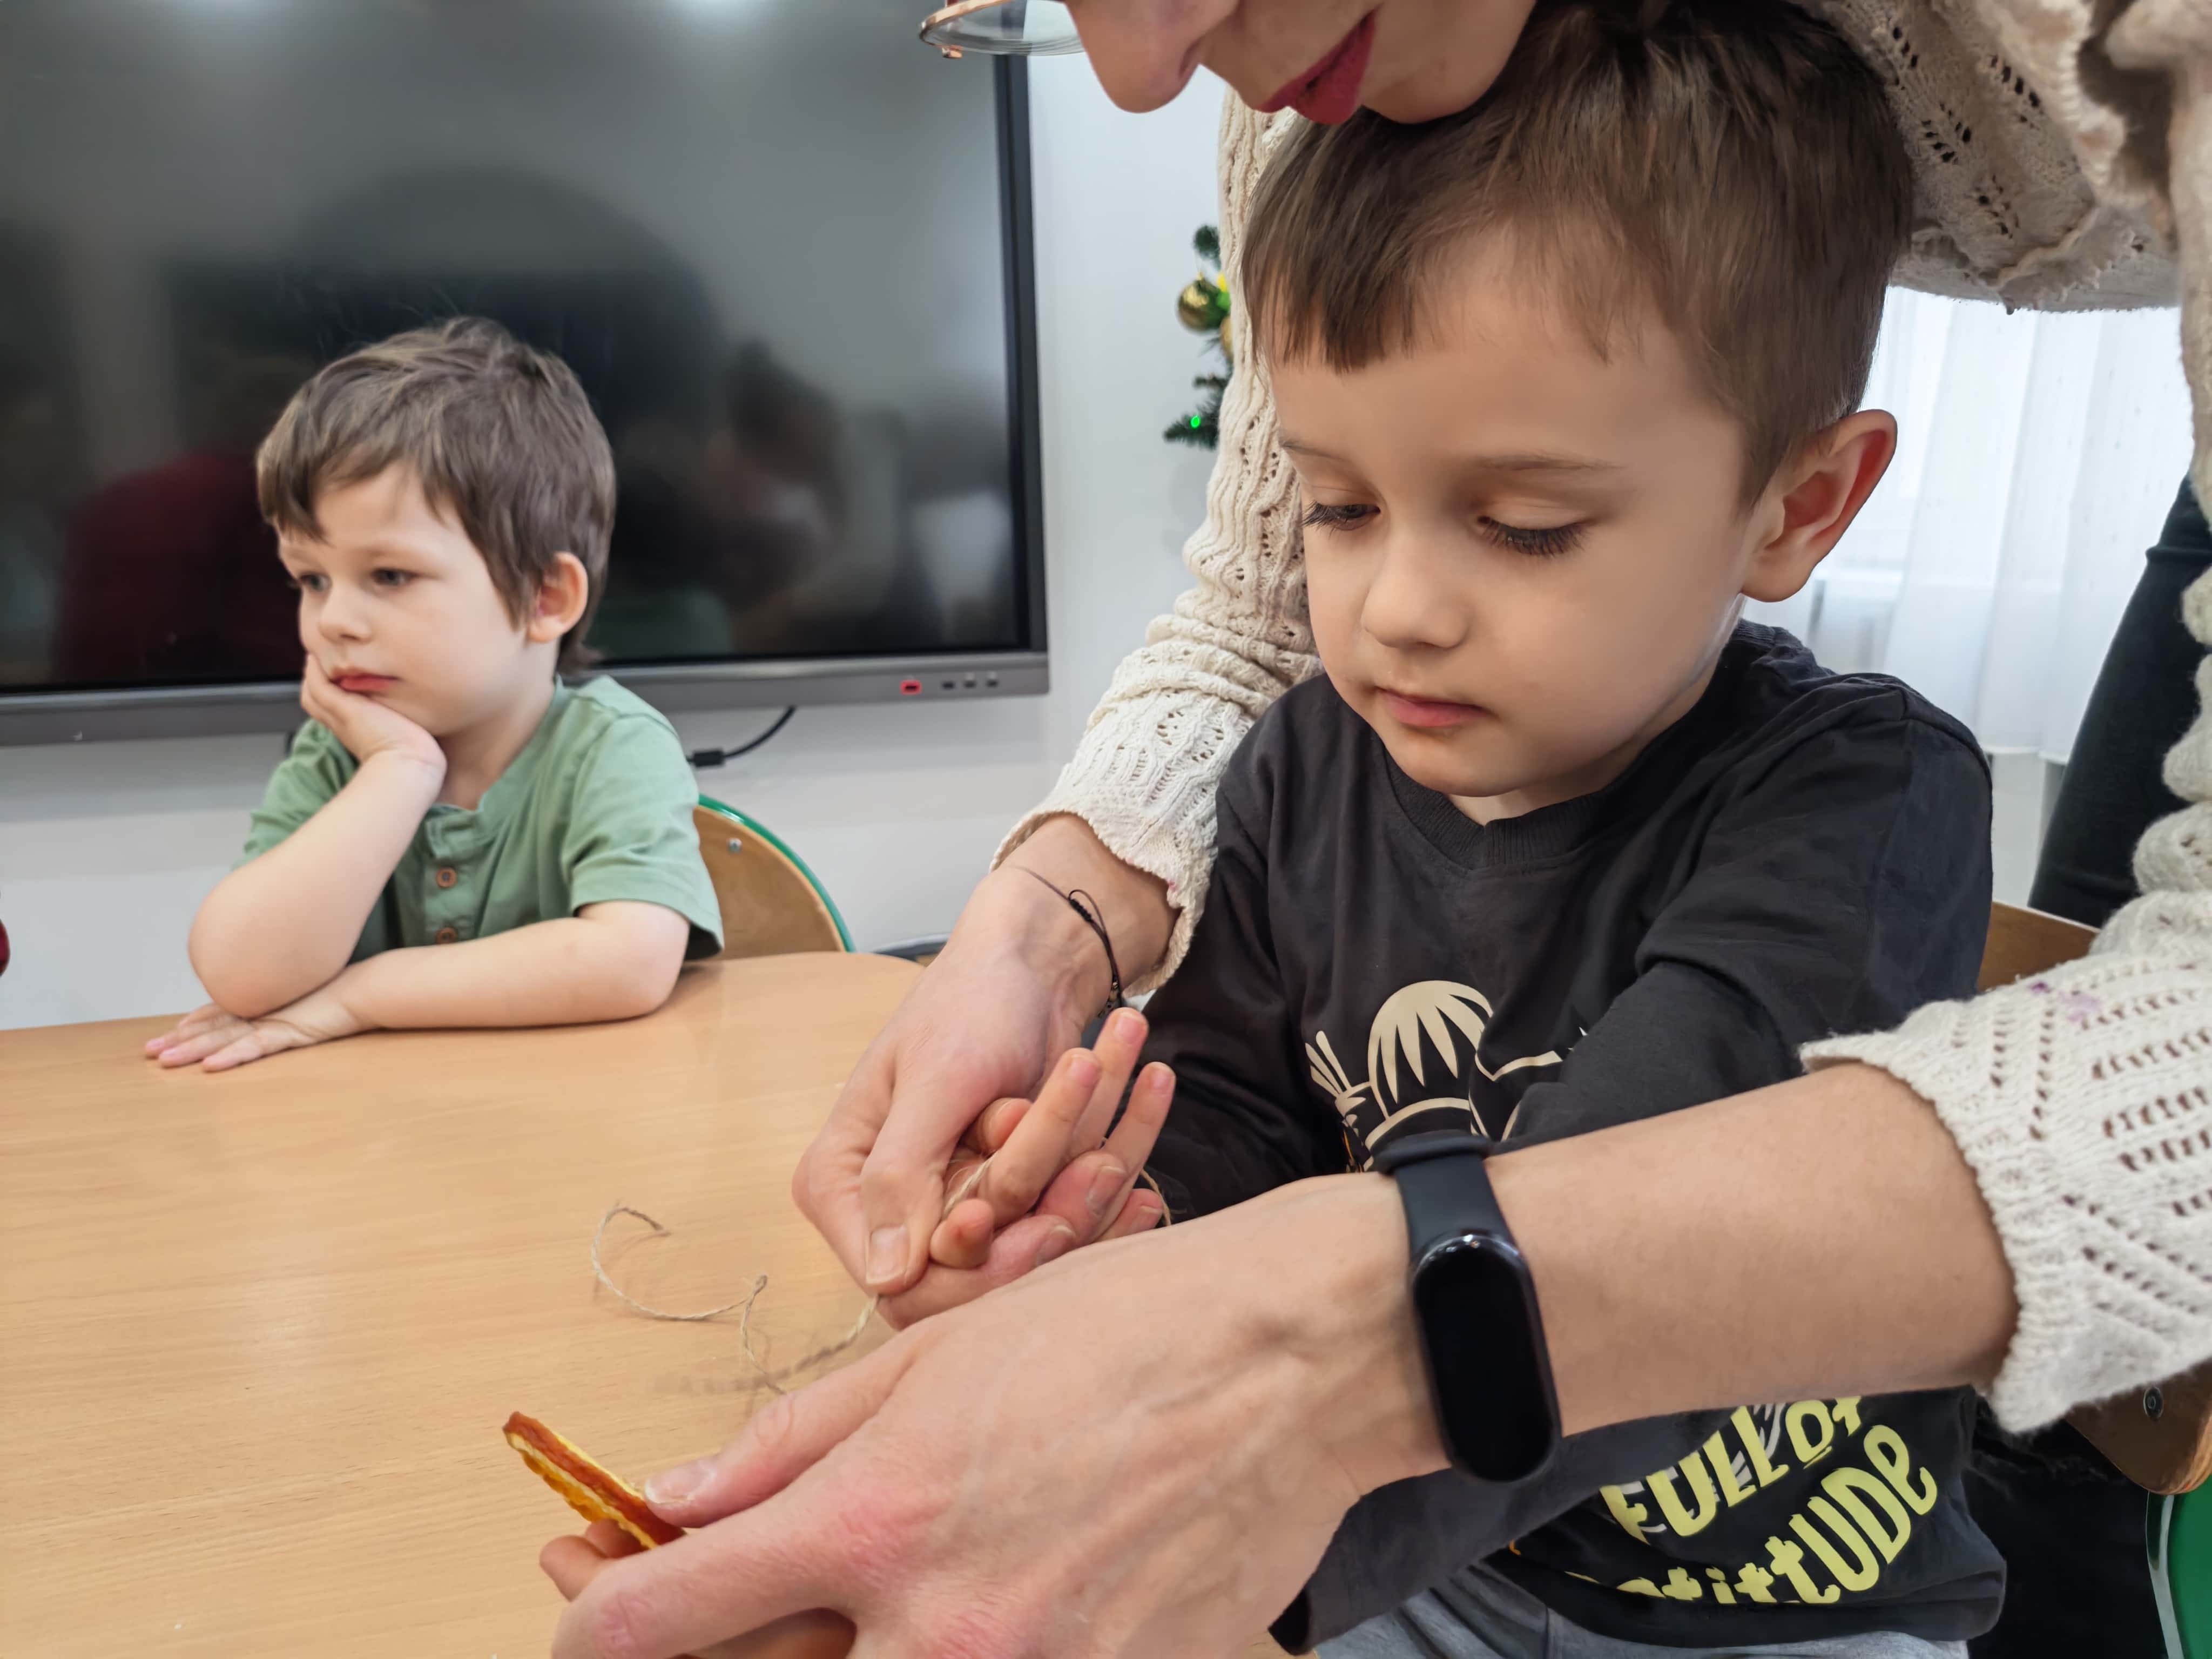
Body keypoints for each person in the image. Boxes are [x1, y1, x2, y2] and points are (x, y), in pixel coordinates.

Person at [537, 0, 2212, 1652]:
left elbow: (1613, 1224)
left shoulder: (1863, 797)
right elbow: (1232, 1117)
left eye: (1527, 525)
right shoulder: (1298, 771)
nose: (1395, 609)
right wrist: (1087, 1241)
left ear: (1800, 503)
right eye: (1340, 505)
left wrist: (1168, 1480)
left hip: (1780, 1615)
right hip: (1433, 1570)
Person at [146, 318, 722, 1074]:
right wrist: (400, 771)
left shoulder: (612, 744)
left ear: (546, 597)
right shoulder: (342, 754)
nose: (334, 621)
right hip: (381, 1128)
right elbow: (241, 975)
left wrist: (359, 997)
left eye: (390, 576)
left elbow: (628, 961)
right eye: (311, 580)